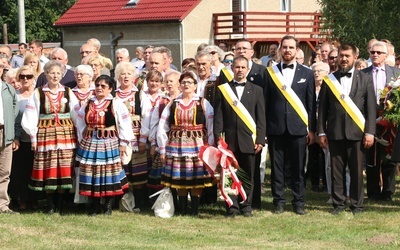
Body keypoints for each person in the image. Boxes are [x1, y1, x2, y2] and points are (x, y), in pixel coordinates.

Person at [318, 43, 376, 215]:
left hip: (357, 133)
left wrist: (370, 132)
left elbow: (371, 109)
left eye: (347, 56)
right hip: (335, 132)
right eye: (341, 56)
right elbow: (322, 108)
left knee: (357, 171)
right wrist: (321, 131)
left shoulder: (365, 78)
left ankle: (357, 204)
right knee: (336, 170)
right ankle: (338, 203)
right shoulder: (330, 79)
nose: (343, 59)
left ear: (355, 57)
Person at [265, 35, 316, 215]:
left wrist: (312, 129)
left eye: (291, 47)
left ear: (297, 50)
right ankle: (278, 201)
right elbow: (265, 102)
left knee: (298, 167)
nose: (287, 50)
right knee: (277, 168)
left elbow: (311, 104)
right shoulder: (270, 72)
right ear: (280, 49)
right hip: (275, 127)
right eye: (284, 47)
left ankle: (298, 201)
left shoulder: (307, 73)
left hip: (298, 128)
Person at [22, 60, 79, 215]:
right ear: (46, 74)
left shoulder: (68, 92)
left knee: (64, 167)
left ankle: (61, 205)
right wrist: (33, 137)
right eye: (51, 73)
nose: (55, 76)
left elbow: (76, 115)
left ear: (62, 75)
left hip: (66, 136)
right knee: (48, 167)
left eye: (58, 73)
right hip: (46, 135)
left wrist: (79, 135)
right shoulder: (38, 92)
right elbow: (31, 115)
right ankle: (50, 205)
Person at [214, 56, 266, 217]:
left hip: (249, 141)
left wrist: (260, 140)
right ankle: (232, 206)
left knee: (248, 174)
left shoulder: (257, 90)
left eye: (243, 67)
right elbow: (219, 116)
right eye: (237, 67)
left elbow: (261, 118)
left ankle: (246, 206)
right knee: (230, 175)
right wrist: (218, 138)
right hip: (229, 141)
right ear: (232, 69)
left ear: (248, 69)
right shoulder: (223, 89)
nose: (240, 70)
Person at [157, 69, 214, 216]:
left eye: (189, 82)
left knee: (196, 177)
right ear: (180, 85)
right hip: (176, 147)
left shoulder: (203, 103)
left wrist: (211, 147)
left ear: (195, 85)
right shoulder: (172, 104)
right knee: (180, 176)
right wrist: (162, 148)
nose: (186, 84)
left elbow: (211, 125)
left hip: (197, 146)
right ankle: (182, 209)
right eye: (183, 82)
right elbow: (162, 127)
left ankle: (194, 209)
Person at [75, 75, 134, 215]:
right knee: (92, 172)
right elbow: (80, 122)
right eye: (97, 85)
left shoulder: (116, 103)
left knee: (109, 172)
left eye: (103, 86)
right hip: (90, 142)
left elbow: (124, 124)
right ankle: (94, 206)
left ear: (110, 89)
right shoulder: (88, 103)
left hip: (109, 142)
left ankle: (107, 205)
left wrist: (124, 143)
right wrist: (81, 139)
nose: (99, 88)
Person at [362, 41, 400, 202]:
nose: (375, 55)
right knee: (372, 156)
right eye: (372, 52)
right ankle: (373, 191)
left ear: (386, 55)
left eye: (379, 52)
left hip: (390, 121)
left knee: (389, 157)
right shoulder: (362, 74)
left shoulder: (396, 73)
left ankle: (388, 192)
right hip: (369, 120)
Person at [114, 62, 145, 211]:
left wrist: (144, 139)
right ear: (118, 76)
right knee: (121, 168)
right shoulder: (113, 95)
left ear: (134, 76)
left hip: (136, 135)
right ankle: (123, 202)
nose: (126, 76)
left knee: (137, 170)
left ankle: (139, 203)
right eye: (122, 73)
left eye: (129, 73)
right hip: (118, 136)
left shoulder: (139, 93)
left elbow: (146, 116)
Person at [147, 70, 181, 192]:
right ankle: (166, 199)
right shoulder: (161, 101)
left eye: (172, 81)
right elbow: (155, 123)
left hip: (180, 140)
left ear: (179, 83)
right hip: (164, 140)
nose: (169, 84)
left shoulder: (183, 99)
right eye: (167, 81)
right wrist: (153, 143)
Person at [8, 66, 36, 211]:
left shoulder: (38, 95)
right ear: (18, 78)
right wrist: (14, 137)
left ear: (34, 77)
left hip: (36, 141)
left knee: (34, 171)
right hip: (19, 140)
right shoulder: (15, 95)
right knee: (20, 172)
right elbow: (11, 118)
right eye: (22, 76)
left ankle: (34, 200)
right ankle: (21, 200)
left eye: (29, 76)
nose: (25, 79)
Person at [0, 59, 19, 214]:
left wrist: (13, 134)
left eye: (1, 66)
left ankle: (2, 205)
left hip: (5, 132)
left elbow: (15, 113)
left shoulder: (8, 89)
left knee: (4, 171)